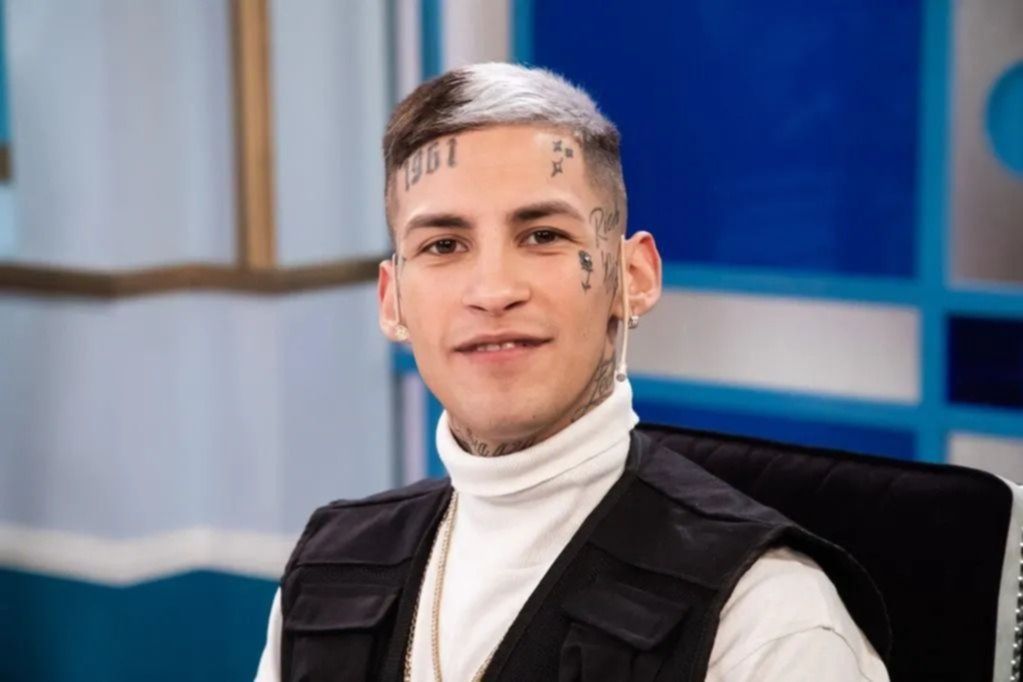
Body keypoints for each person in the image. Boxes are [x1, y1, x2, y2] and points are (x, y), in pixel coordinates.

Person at [255, 62, 890, 681]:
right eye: (443, 245)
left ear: (633, 279)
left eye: (543, 236)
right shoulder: (322, 577)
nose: (493, 291)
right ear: (393, 300)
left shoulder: (769, 623)